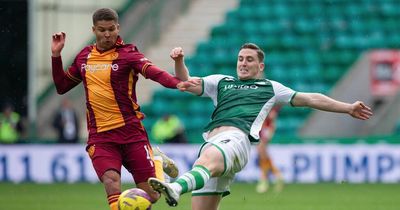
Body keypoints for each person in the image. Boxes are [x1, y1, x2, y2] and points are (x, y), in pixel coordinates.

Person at [148, 43, 373, 210]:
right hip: (213, 143)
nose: (243, 63)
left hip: (236, 141)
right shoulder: (221, 82)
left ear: (260, 65)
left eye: (249, 59)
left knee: (203, 162)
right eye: (240, 58)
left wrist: (347, 107)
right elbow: (185, 81)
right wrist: (179, 61)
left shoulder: (270, 88)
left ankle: (175, 187)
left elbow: (310, 98)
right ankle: (175, 182)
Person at [50, 8, 196, 210]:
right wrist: (56, 56)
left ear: (118, 27)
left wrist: (175, 83)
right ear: (94, 30)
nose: (107, 34)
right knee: (111, 181)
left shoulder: (128, 54)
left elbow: (154, 72)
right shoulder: (84, 57)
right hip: (101, 137)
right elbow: (61, 86)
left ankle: (157, 161)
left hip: (131, 133)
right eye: (102, 30)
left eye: (111, 29)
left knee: (152, 196)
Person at [255, 105, 284, 193]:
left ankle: (264, 179)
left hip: (265, 129)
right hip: (262, 128)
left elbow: (272, 117)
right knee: (263, 155)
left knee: (262, 152)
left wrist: (270, 131)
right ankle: (277, 176)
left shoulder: (271, 105)